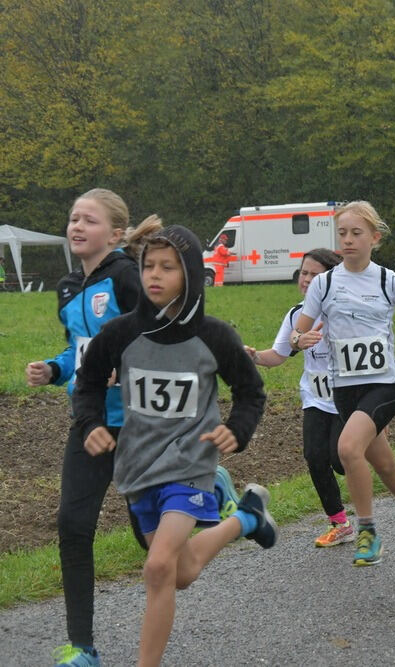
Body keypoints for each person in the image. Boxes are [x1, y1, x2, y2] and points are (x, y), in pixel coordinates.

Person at [72, 224, 270, 667]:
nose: (154, 275)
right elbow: (86, 384)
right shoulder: (121, 334)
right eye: (147, 266)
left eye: (168, 267)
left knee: (158, 568)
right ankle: (244, 519)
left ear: (192, 275)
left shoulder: (215, 336)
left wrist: (237, 430)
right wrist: (91, 424)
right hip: (138, 466)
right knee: (179, 574)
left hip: (191, 462)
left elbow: (250, 392)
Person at [22, 191, 165, 667]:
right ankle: (82, 647)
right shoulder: (66, 287)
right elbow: (80, 349)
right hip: (89, 423)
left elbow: (157, 334)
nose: (76, 226)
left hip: (138, 426)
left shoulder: (127, 276)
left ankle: (235, 512)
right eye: (72, 219)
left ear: (116, 233)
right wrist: (54, 368)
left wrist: (125, 367)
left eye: (89, 220)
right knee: (72, 525)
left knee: (151, 540)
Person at [293, 201, 395, 567]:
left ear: (374, 238)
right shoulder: (324, 284)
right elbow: (299, 329)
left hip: (384, 385)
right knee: (385, 465)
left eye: (356, 233)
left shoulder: (388, 280)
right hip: (345, 388)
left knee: (347, 449)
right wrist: (301, 340)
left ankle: (367, 531)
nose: (347, 240)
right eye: (342, 233)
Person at [244, 249, 354, 548]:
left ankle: (367, 448)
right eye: (303, 273)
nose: (305, 279)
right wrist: (251, 356)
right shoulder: (297, 314)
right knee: (315, 458)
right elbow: (278, 355)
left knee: (340, 460)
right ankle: (340, 523)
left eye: (314, 274)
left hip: (348, 397)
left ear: (329, 278)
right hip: (316, 398)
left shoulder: (344, 309)